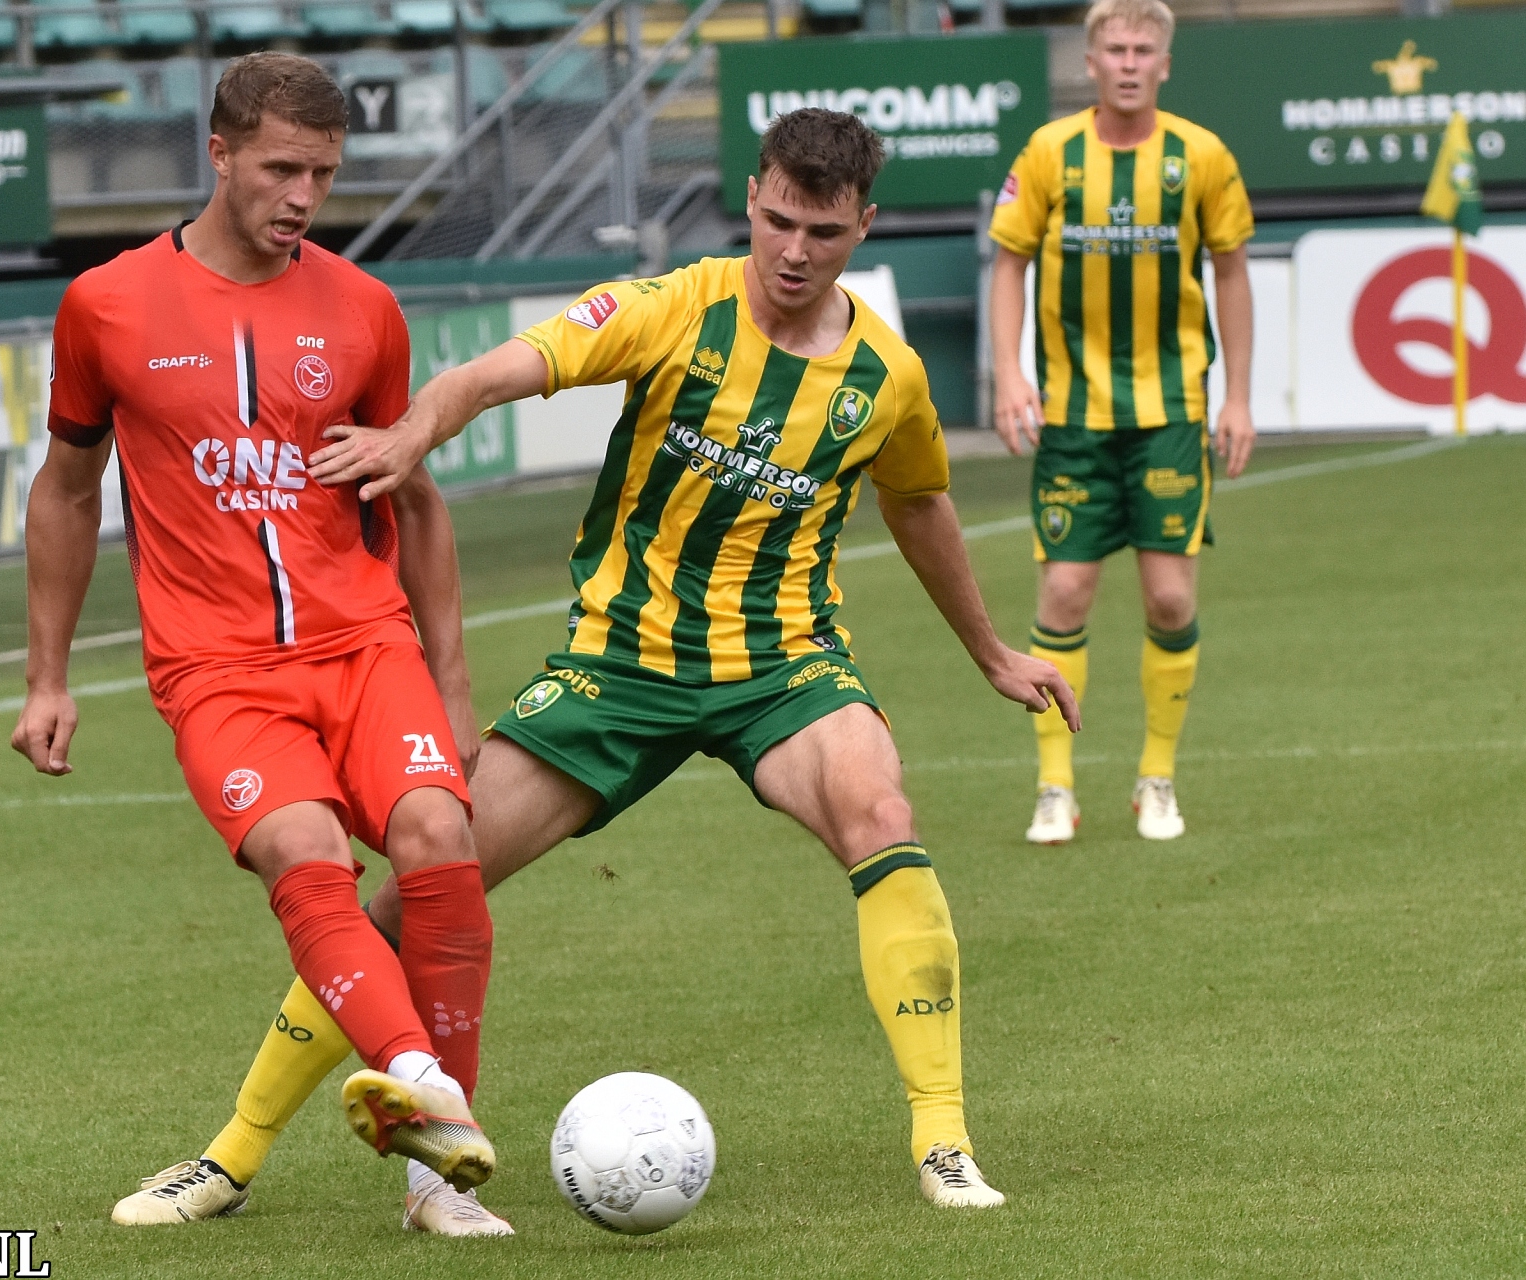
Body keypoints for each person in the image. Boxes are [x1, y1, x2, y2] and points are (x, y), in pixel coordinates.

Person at [115, 106, 1081, 1235]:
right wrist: (412, 433)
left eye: (821, 232)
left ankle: (945, 1139)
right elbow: (497, 372)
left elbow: (919, 502)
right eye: (775, 220)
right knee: (425, 880)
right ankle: (230, 1154)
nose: (792, 251)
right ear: (753, 198)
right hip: (615, 668)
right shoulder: (669, 308)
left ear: (863, 226)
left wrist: (990, 650)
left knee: (881, 808)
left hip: (784, 668)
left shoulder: (887, 375)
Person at [9, 52, 501, 1232]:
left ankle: (436, 1175)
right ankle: (430, 1093)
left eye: (323, 173)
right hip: (215, 666)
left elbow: (415, 496)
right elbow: (67, 491)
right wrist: (48, 676)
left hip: (364, 642)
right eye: (281, 167)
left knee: (438, 838)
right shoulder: (107, 305)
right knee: (303, 849)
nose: (302, 194)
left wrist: (451, 673)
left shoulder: (365, 308)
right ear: (218, 152)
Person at [987, 0, 1255, 845]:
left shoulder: (1201, 155)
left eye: (1145, 49)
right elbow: (1008, 267)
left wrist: (1238, 396)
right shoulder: (1050, 153)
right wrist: (1009, 375)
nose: (1131, 61)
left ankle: (1157, 777)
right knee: (1065, 590)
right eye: (1116, 48)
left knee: (1172, 598)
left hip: (1171, 411)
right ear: (1091, 61)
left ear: (1165, 64)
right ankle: (1054, 786)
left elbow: (1233, 274)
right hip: (1073, 414)